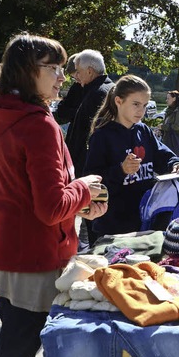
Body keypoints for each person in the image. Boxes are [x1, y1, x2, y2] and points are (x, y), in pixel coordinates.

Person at [0, 33, 107, 357]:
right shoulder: (37, 124)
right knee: (21, 347)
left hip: (4, 248)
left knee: (15, 343)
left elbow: (20, 192)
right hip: (31, 255)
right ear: (27, 71)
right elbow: (48, 208)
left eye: (64, 69)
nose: (63, 77)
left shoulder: (1, 115)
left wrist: (77, 203)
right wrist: (84, 189)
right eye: (54, 68)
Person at [85, 75, 179, 238]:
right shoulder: (102, 136)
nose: (141, 111)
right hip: (113, 227)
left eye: (145, 105)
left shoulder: (144, 131)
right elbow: (91, 180)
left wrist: (176, 163)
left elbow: (163, 155)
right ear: (118, 101)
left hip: (146, 223)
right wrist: (121, 170)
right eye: (136, 104)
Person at [64, 49, 114, 246]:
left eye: (78, 71)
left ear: (90, 71)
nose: (76, 76)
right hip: (90, 169)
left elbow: (97, 136)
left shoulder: (100, 92)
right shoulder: (97, 89)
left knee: (95, 226)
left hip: (93, 170)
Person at [54, 53, 84, 126]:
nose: (77, 80)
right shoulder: (77, 85)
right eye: (74, 78)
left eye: (77, 76)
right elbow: (63, 109)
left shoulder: (96, 89)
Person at [160, 90, 179, 157]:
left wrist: (162, 127)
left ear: (174, 99)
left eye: (168, 98)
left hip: (176, 143)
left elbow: (177, 127)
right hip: (168, 141)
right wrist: (161, 130)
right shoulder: (169, 111)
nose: (166, 100)